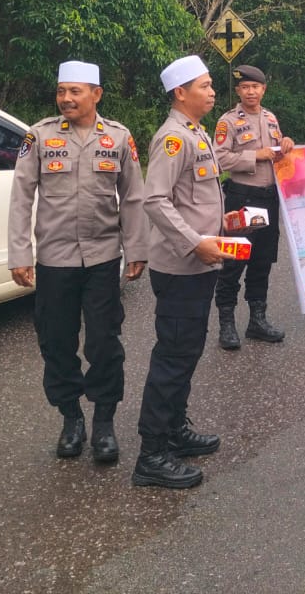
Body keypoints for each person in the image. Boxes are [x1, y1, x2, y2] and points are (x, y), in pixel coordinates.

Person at [7, 61, 147, 464]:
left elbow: (133, 197)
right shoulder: (39, 136)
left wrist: (137, 249)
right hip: (55, 260)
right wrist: (20, 253)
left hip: (103, 258)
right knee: (56, 342)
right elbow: (22, 197)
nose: (66, 98)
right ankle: (71, 418)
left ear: (96, 95)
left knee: (104, 342)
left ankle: (104, 422)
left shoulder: (118, 138)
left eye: (76, 92)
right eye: (61, 91)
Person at [132, 55, 228, 489]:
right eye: (205, 86)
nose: (212, 92)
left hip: (201, 263)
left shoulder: (195, 132)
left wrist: (229, 224)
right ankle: (151, 454)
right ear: (180, 93)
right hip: (182, 266)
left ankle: (174, 430)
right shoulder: (172, 139)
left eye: (211, 84)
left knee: (186, 352)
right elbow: (155, 201)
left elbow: (196, 199)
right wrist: (195, 242)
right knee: (172, 357)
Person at [212, 64, 295, 349]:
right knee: (235, 261)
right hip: (244, 200)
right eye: (245, 87)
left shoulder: (271, 118)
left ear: (263, 89)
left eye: (255, 87)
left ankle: (257, 321)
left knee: (261, 262)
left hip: (269, 200)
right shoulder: (228, 122)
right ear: (238, 90)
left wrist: (286, 143)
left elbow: (279, 154)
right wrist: (254, 156)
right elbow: (220, 159)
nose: (251, 91)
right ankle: (226, 323)